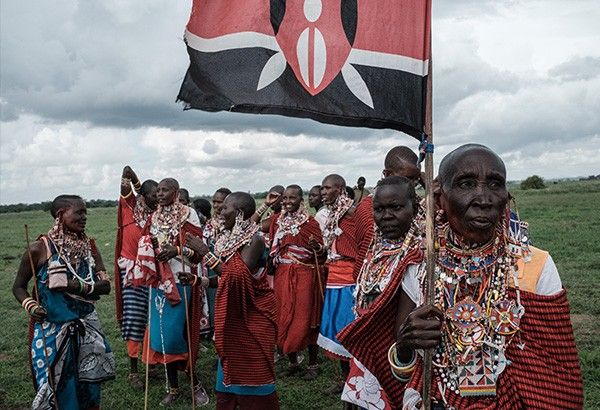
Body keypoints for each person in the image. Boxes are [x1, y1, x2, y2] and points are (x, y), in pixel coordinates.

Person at [339, 144, 584, 408]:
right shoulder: (421, 266)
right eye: (466, 184)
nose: (483, 198)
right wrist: (406, 344)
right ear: (440, 198)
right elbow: (403, 368)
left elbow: (558, 374)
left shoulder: (535, 265)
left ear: (506, 196)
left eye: (495, 184)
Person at [13, 195, 115, 409]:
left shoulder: (90, 247)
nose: (84, 217)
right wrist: (31, 306)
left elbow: (106, 286)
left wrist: (72, 285)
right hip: (52, 330)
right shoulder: (39, 249)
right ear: (61, 215)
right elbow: (18, 287)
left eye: (85, 212)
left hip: (86, 328)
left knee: (88, 389)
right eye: (79, 212)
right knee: (57, 390)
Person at [185, 192, 279, 409]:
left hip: (254, 316)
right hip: (233, 315)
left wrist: (205, 253)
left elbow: (237, 277)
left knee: (254, 377)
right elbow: (227, 278)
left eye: (225, 207)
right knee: (228, 370)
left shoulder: (254, 240)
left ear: (238, 213)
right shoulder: (231, 237)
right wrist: (199, 280)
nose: (219, 210)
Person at [340, 177, 423, 409]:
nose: (386, 216)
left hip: (402, 360)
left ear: (414, 208)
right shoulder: (376, 249)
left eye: (396, 208)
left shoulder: (420, 256)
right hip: (367, 360)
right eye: (379, 209)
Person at [130, 178, 209, 406]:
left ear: (175, 192)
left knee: (179, 337)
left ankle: (195, 384)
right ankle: (173, 388)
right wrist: (150, 253)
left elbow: (198, 253)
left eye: (164, 190)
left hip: (182, 281)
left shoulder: (188, 214)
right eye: (158, 191)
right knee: (161, 339)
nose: (159, 194)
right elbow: (146, 245)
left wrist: (175, 250)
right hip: (159, 284)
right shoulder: (153, 217)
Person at [269, 185, 325, 379]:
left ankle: (313, 363)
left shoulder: (310, 223)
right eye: (285, 198)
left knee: (306, 318)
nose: (287, 201)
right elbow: (273, 249)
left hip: (304, 275)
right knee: (283, 316)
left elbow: (321, 254)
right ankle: (293, 362)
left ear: (301, 200)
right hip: (283, 274)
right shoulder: (278, 222)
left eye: (292, 198)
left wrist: (316, 247)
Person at [114, 165, 158, 388]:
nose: (158, 198)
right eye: (154, 194)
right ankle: (133, 371)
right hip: (132, 271)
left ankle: (151, 362)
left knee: (153, 317)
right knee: (134, 318)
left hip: (154, 272)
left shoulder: (158, 215)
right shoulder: (129, 205)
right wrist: (139, 186)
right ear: (143, 195)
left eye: (160, 194)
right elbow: (126, 172)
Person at [314, 174, 358, 394]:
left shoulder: (353, 213)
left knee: (349, 329)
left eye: (327, 188)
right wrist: (321, 250)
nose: (323, 192)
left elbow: (358, 247)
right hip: (334, 277)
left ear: (340, 189)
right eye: (321, 188)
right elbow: (333, 247)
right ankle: (346, 381)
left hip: (350, 279)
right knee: (337, 330)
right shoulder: (332, 215)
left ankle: (356, 381)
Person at [353, 146, 423, 280]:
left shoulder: (415, 204)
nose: (414, 184)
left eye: (417, 179)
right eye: (408, 178)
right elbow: (367, 254)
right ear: (387, 174)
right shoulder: (367, 208)